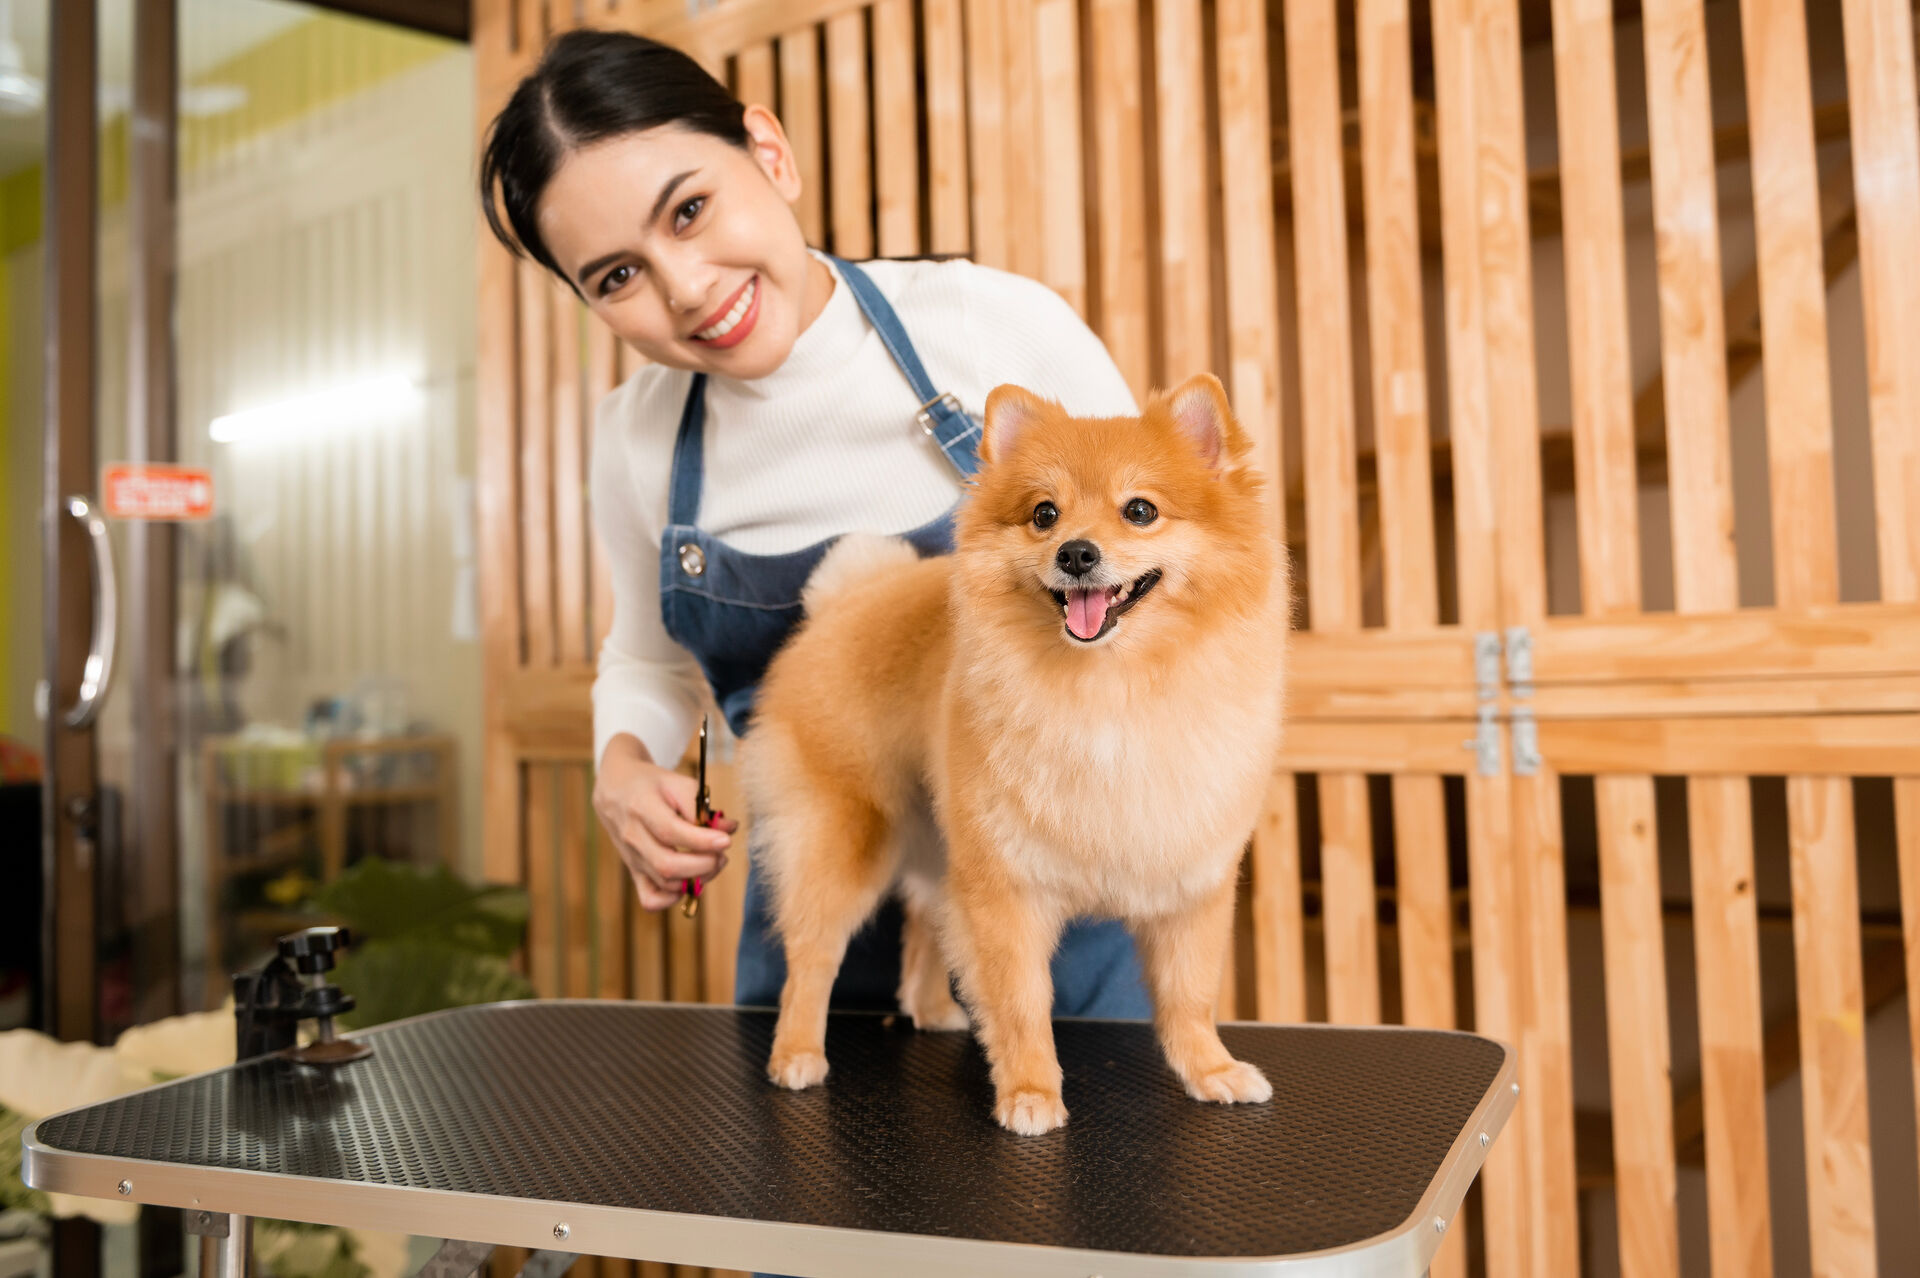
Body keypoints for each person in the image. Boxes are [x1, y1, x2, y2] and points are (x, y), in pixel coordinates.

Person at [479, 29, 1150, 1021]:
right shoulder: (640, 439)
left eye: (691, 210)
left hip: (1066, 931)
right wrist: (622, 768)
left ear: (770, 152)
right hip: (821, 959)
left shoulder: (991, 326)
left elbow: (1158, 587)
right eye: (616, 276)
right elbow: (649, 662)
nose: (689, 287)